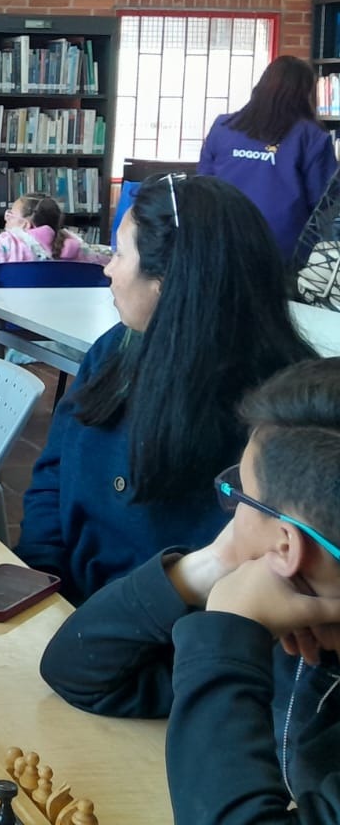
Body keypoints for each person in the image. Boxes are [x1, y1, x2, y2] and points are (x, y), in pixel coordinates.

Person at [38, 358, 340, 824]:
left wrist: (228, 629)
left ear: (286, 543)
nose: (229, 512)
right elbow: (79, 672)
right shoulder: (289, 619)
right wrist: (210, 564)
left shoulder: (266, 619)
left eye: (240, 496)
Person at [16, 174, 317, 605]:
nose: (108, 268)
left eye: (119, 254)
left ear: (167, 280)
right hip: (63, 600)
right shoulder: (112, 352)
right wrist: (39, 576)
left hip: (163, 639)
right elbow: (52, 475)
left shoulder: (272, 412)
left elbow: (229, 582)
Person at [198, 54, 338, 261]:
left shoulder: (222, 127)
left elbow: (203, 184)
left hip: (221, 242)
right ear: (306, 93)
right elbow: (324, 200)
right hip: (283, 250)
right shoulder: (312, 137)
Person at [0, 195, 111, 275]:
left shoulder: (9, 244)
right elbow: (107, 260)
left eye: (10, 215)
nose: (6, 219)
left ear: (26, 225)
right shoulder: (77, 247)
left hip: (8, 321)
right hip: (58, 323)